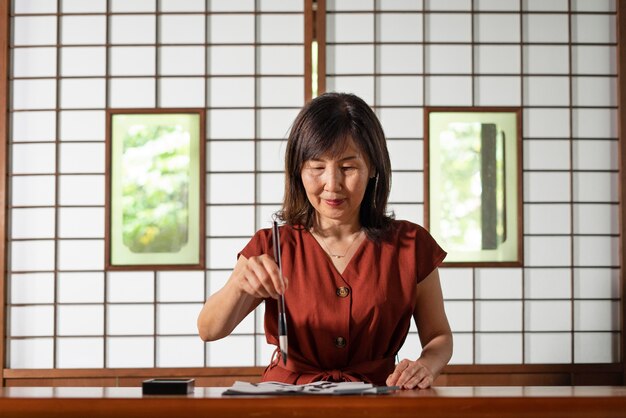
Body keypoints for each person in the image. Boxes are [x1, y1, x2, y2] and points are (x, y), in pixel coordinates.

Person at [198, 92, 452, 389]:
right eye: (317, 167)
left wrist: (426, 365)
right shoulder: (272, 245)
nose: (332, 184)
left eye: (348, 167)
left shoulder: (411, 244)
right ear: (299, 170)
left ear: (373, 168)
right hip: (288, 401)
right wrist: (238, 283)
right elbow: (209, 330)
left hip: (378, 399)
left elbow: (439, 337)